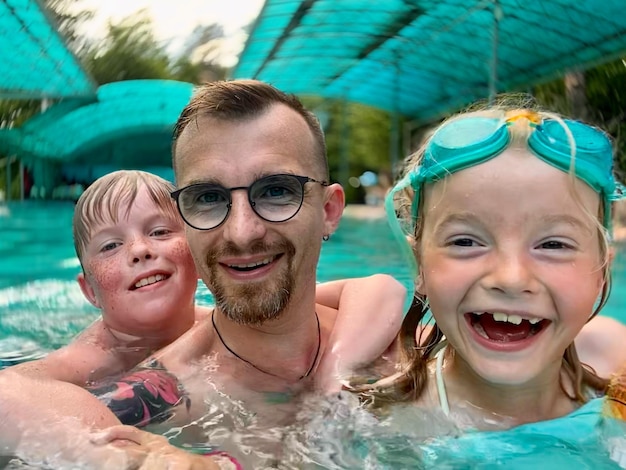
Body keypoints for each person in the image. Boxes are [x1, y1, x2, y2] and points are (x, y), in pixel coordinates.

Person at [0, 80, 405, 468]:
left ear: (330, 211)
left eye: (277, 190)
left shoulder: (412, 343)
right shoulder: (154, 393)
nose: (242, 231)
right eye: (208, 198)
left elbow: (379, 287)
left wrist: (334, 377)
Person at [350, 105, 626, 466]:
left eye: (554, 244)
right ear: (418, 262)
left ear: (603, 268)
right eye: (465, 242)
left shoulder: (613, 360)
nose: (511, 278)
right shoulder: (387, 427)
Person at [7, 169, 404, 389]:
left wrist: (335, 373)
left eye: (160, 232)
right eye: (110, 247)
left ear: (197, 254)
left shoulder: (218, 321)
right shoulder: (86, 363)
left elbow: (379, 288)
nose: (140, 250)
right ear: (89, 290)